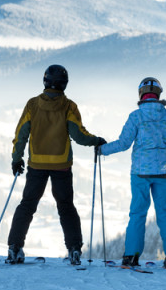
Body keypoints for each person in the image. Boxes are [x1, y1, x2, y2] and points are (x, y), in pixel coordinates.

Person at [6, 64, 105, 266]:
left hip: (37, 165)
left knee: (27, 205)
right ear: (64, 84)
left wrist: (17, 159)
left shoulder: (32, 105)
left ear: (45, 82)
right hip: (62, 164)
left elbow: (20, 135)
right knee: (66, 207)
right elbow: (79, 135)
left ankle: (14, 248)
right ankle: (74, 249)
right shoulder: (69, 106)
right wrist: (97, 141)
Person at [98, 77, 166, 269]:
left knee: (137, 213)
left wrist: (102, 150)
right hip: (163, 172)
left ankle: (131, 257)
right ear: (159, 94)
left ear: (141, 94)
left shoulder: (135, 116)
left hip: (140, 173)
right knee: (165, 214)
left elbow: (124, 143)